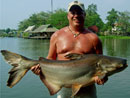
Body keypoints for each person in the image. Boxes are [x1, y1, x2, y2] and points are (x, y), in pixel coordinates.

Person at [31, 1, 108, 98]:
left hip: (87, 89)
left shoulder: (94, 39)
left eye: (79, 12)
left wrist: (103, 79)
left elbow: (102, 66)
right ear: (68, 15)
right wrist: (40, 70)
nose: (76, 15)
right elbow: (50, 59)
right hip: (64, 88)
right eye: (73, 12)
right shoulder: (57, 36)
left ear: (84, 15)